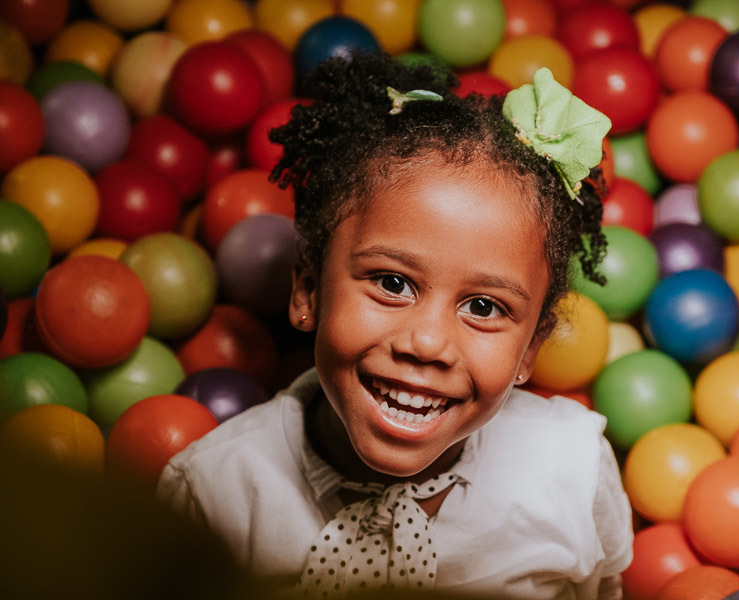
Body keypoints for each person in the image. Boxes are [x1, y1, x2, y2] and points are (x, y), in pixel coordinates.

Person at [157, 52, 633, 599]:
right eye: (391, 283)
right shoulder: (212, 492)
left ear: (530, 351)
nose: (427, 344)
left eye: (483, 307)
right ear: (307, 289)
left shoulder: (573, 467)